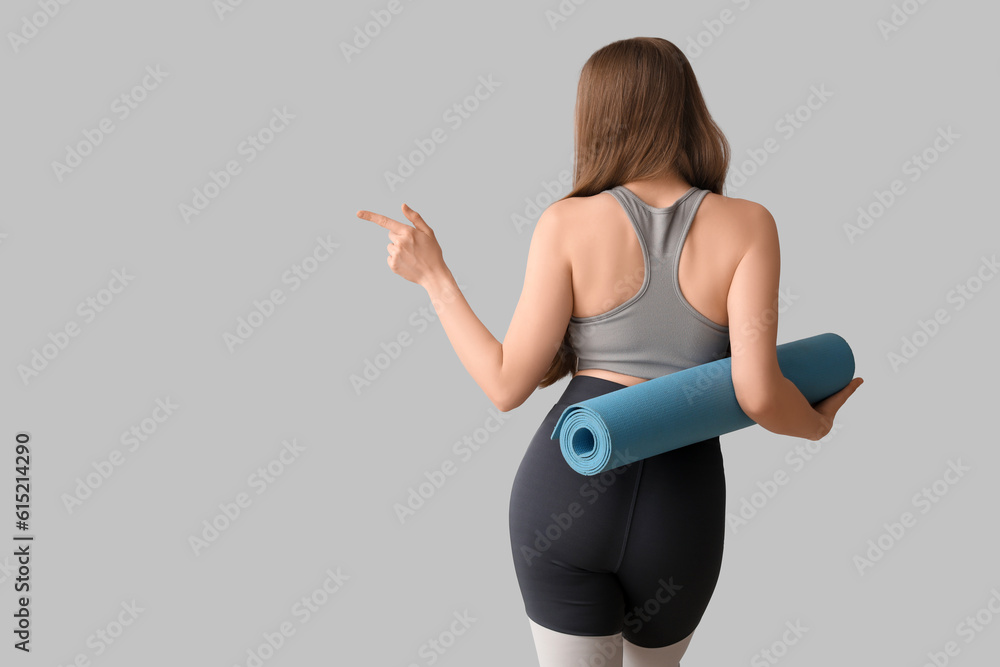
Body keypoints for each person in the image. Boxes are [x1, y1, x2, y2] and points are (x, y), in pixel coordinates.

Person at [357, 36, 862, 667]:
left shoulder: (566, 224)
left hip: (562, 490)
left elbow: (506, 384)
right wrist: (814, 425)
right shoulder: (749, 224)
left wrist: (435, 279)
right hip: (683, 505)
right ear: (688, 109)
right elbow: (758, 392)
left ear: (597, 117)